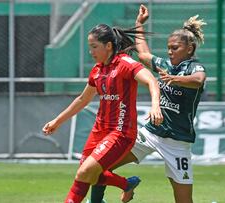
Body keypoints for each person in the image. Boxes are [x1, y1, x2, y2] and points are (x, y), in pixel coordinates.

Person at [89, 4, 207, 203]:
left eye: (175, 48)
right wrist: (139, 24)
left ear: (189, 49)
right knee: (100, 165)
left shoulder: (194, 67)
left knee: (184, 201)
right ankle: (99, 200)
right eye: (168, 48)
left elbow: (198, 80)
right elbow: (143, 54)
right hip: (150, 133)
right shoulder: (166, 65)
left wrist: (174, 79)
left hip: (177, 142)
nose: (170, 52)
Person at [42, 23, 163, 203]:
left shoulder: (125, 64)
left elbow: (152, 81)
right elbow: (83, 99)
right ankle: (126, 184)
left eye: (94, 46)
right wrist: (57, 121)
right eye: (89, 47)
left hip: (121, 132)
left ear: (108, 46)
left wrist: (155, 106)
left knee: (86, 172)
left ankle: (123, 185)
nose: (91, 51)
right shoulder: (98, 70)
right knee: (86, 173)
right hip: (99, 130)